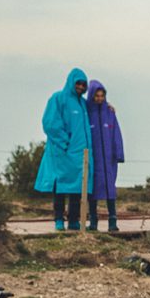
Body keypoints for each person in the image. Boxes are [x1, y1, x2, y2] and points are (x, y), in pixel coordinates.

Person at [34, 68, 93, 231]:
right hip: (62, 153)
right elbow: (50, 123)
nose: (81, 87)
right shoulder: (58, 98)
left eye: (83, 84)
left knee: (76, 189)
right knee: (59, 187)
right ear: (71, 82)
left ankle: (73, 220)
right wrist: (64, 143)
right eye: (78, 83)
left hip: (80, 155)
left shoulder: (82, 104)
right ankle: (58, 220)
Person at [85, 80, 125, 232]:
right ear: (92, 96)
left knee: (110, 189)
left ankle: (112, 221)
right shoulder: (87, 113)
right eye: (97, 96)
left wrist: (118, 153)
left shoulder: (110, 113)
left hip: (108, 159)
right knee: (93, 189)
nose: (99, 99)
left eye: (102, 96)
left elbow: (116, 134)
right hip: (93, 159)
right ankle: (93, 221)